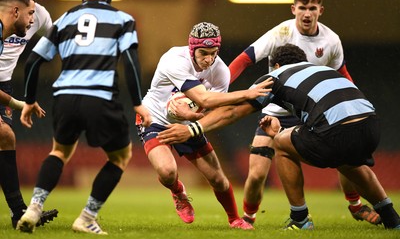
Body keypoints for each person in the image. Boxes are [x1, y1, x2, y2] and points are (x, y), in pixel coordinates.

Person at [157, 43, 400, 230]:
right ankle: (391, 216)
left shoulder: (276, 76)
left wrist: (192, 127)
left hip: (335, 128)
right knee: (347, 161)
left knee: (281, 142)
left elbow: (232, 112)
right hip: (370, 125)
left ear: (275, 66)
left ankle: (300, 218)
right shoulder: (323, 69)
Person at [228, 0, 380, 226]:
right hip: (276, 112)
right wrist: (220, 87)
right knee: (256, 174)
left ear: (321, 10)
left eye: (312, 8)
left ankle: (355, 205)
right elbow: (244, 59)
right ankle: (248, 218)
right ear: (293, 9)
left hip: (310, 113)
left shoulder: (331, 40)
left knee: (348, 157)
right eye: (302, 8)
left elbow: (341, 74)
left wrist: (355, 101)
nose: (306, 13)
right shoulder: (280, 33)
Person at [16, 0, 151, 235]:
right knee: (120, 156)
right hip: (100, 97)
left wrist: (29, 100)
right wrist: (137, 101)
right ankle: (87, 216)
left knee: (59, 152)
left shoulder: (64, 20)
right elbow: (132, 63)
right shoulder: (123, 19)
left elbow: (33, 62)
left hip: (65, 97)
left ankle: (33, 208)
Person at [137, 21, 271, 230]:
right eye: (203, 53)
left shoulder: (220, 72)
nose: (209, 59)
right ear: (192, 49)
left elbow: (212, 111)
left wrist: (191, 116)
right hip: (155, 119)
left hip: (188, 123)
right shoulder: (174, 60)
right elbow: (205, 99)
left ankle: (235, 220)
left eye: (213, 52)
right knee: (167, 172)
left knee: (218, 179)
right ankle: (178, 192)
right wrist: (247, 93)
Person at [0, 0, 57, 229]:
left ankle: (18, 212)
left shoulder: (39, 16)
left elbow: (53, 43)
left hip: (4, 85)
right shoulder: (7, 9)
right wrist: (16, 103)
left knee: (4, 137)